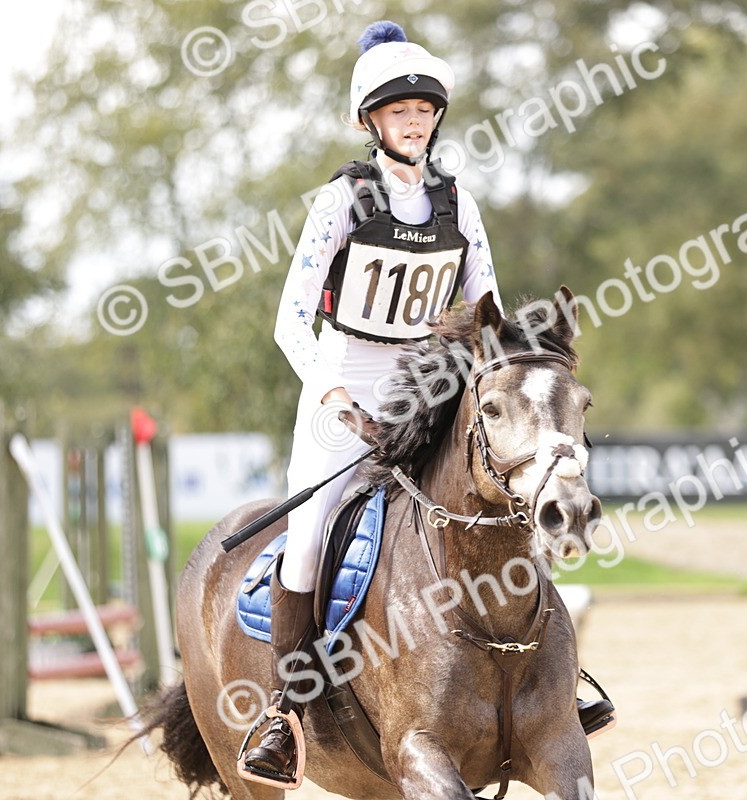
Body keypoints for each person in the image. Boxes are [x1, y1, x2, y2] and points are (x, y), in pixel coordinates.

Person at [240, 20, 612, 788]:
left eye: (423, 110)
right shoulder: (340, 202)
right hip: (341, 377)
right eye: (398, 111)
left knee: (515, 494)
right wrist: (337, 396)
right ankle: (284, 711)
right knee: (308, 533)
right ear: (371, 122)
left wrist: (504, 376)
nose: (413, 121)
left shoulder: (458, 203)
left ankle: (558, 682)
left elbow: (490, 310)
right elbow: (290, 322)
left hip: (435, 380)